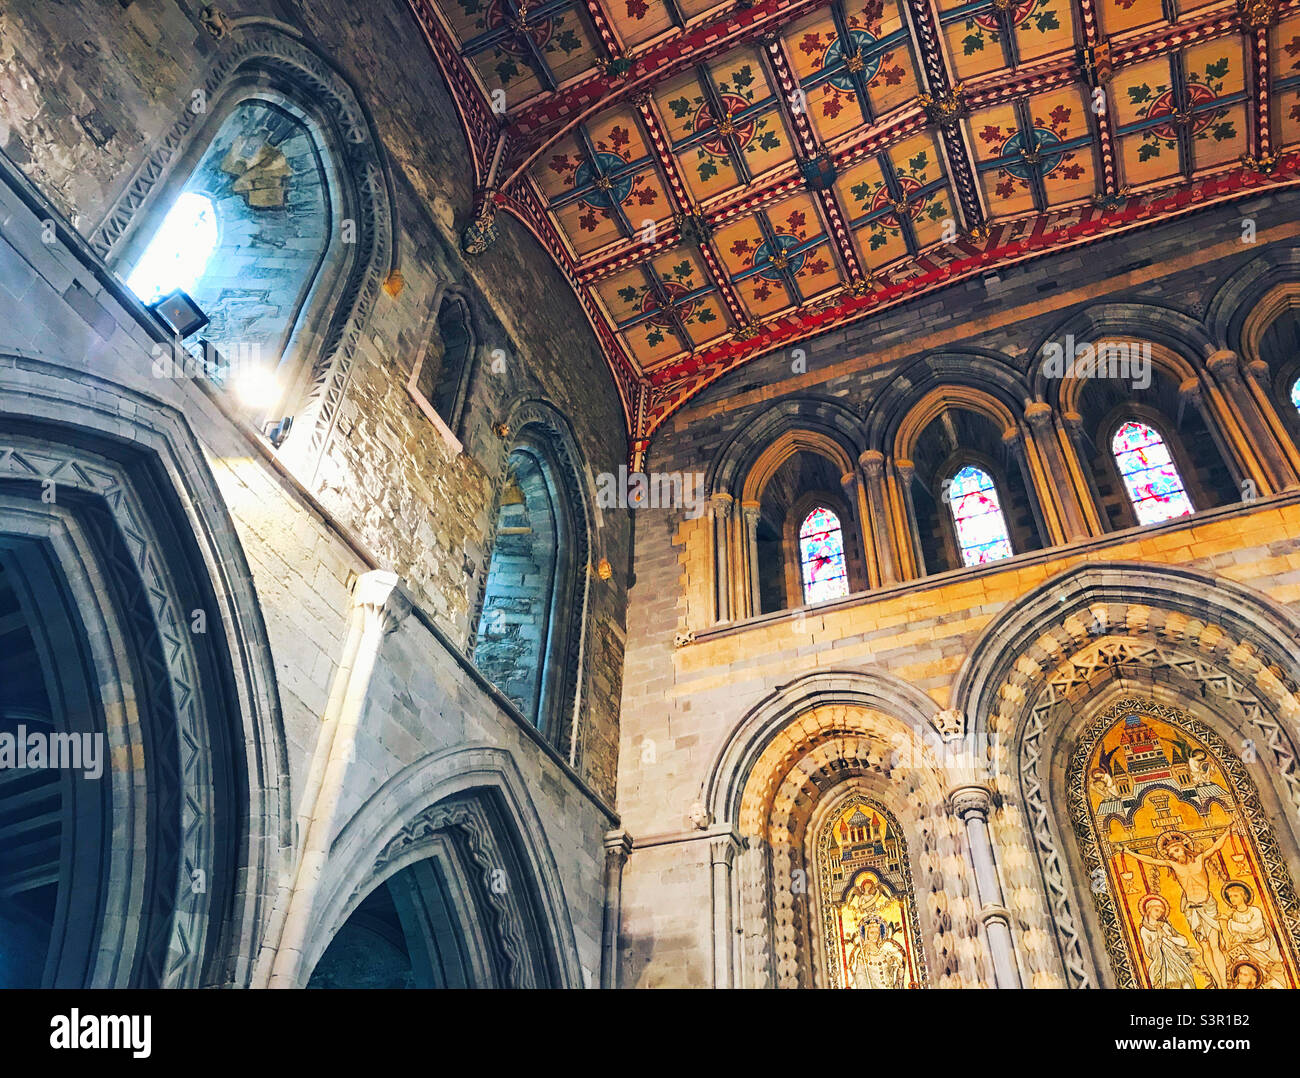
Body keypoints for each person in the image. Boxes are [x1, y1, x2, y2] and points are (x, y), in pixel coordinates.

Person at [1125, 828, 1232, 986]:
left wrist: (1228, 831)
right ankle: (1218, 984)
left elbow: (1216, 847)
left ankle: (1224, 983)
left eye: (1176, 850)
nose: (1175, 855)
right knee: (1205, 948)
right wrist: (1130, 852)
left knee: (1215, 946)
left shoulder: (1200, 858)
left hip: (1208, 906)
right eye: (1171, 854)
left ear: (1184, 847)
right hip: (1192, 910)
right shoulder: (1174, 865)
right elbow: (1151, 861)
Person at [1219, 881, 1286, 988]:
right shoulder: (1235, 915)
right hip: (1248, 947)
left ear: (1243, 896)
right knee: (1251, 970)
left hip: (1262, 947)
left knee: (1271, 972)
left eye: (1235, 896)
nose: (1232, 899)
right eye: (1230, 896)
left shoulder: (1255, 911)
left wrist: (1229, 922)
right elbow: (1238, 934)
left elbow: (1252, 928)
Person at [1136, 894, 1202, 989]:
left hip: (1177, 960)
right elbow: (1149, 952)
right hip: (1163, 964)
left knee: (1187, 984)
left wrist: (1168, 938)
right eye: (1156, 910)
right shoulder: (1145, 930)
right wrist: (1158, 942)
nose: (1158, 914)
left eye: (1161, 912)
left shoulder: (1165, 926)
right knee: (1172, 985)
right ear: (1149, 909)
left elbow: (1184, 941)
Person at [847, 918, 906, 989]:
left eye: (877, 932)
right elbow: (861, 982)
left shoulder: (886, 953)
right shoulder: (863, 956)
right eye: (872, 933)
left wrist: (900, 969)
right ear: (866, 934)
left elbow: (893, 979)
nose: (875, 935)